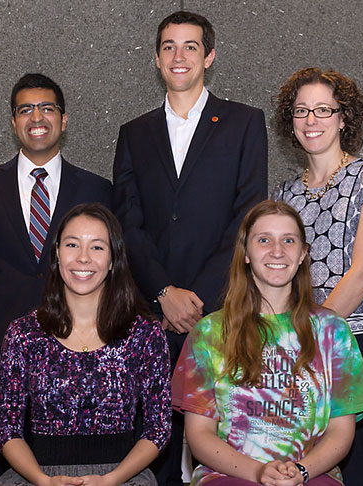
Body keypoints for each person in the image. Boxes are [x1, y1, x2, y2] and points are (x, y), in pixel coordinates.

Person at [112, 11, 268, 485]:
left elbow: (247, 218)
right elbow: (127, 221)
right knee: (152, 445)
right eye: (169, 47)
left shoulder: (244, 122)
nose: (179, 56)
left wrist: (196, 298)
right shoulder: (133, 132)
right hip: (151, 315)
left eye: (190, 46)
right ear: (157, 59)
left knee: (223, 448)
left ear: (210, 56)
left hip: (221, 312)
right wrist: (163, 291)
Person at [0, 73, 113, 486]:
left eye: (47, 108)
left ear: (64, 120)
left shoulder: (98, 189)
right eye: (25, 109)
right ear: (13, 122)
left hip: (79, 359)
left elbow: (113, 273)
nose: (36, 117)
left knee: (71, 472)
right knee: (1, 472)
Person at [172, 200, 363, 486]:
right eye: (264, 240)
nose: (277, 251)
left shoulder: (334, 332)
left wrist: (302, 471)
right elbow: (200, 436)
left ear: (303, 254)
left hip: (311, 475)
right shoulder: (209, 333)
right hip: (229, 475)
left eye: (289, 240)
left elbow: (340, 434)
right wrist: (257, 472)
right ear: (245, 252)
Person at [272, 67, 363, 486]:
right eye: (301, 110)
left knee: (358, 471)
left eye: (323, 110)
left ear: (344, 117)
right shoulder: (283, 195)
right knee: (293, 469)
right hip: (290, 351)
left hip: (351, 348)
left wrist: (304, 337)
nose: (311, 120)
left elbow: (362, 273)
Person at [0, 203, 171, 486]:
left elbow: (158, 429)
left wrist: (112, 479)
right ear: (57, 255)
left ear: (113, 259)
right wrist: (42, 480)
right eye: (72, 245)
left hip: (122, 478)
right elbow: (7, 430)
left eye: (97, 247)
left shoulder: (145, 334)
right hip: (39, 477)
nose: (84, 258)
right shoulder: (23, 334)